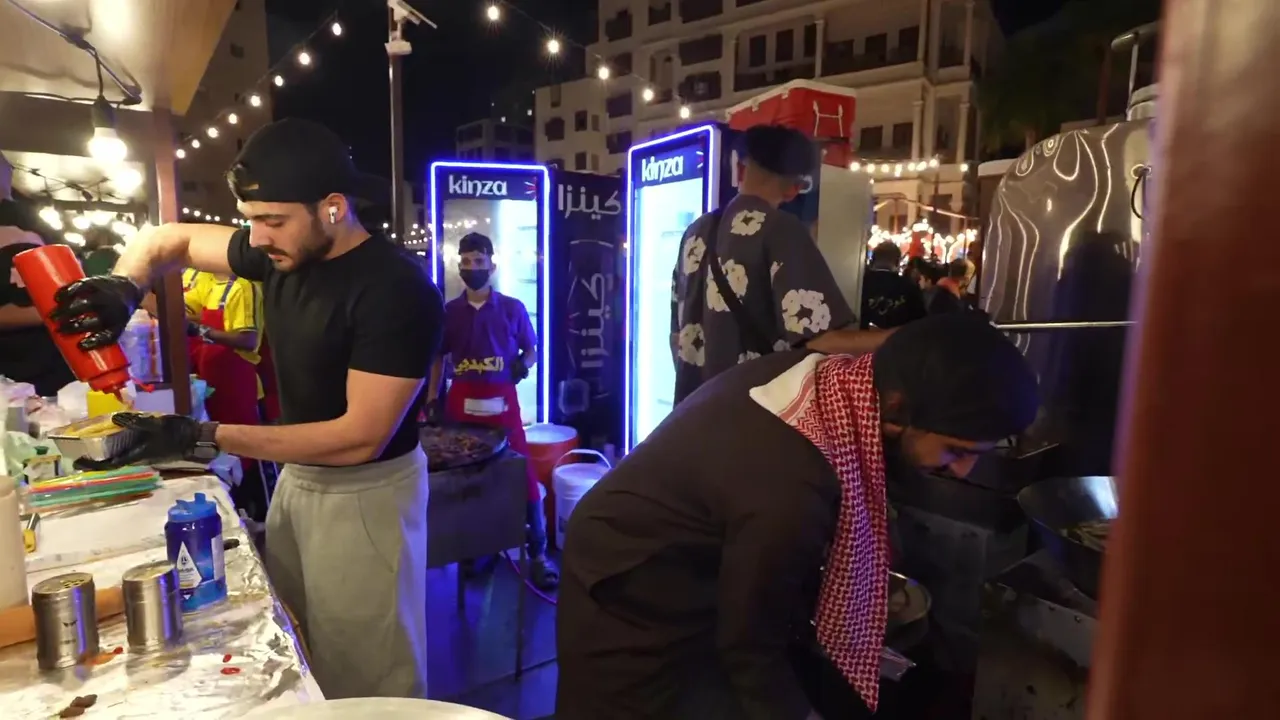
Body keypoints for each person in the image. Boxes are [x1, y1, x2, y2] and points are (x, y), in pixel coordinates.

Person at [46, 118, 443, 700]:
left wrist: (201, 436)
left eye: (272, 220)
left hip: (366, 493)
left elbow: (361, 436)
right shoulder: (281, 252)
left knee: (370, 679)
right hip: (299, 479)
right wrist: (123, 287)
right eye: (250, 219)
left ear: (333, 208)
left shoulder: (395, 290)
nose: (255, 238)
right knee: (298, 643)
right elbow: (167, 240)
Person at [556, 314, 1039, 720]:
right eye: (956, 450)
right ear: (897, 410)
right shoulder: (791, 483)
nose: (963, 470)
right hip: (628, 575)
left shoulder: (837, 379)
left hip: (699, 565)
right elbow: (749, 644)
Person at [671, 124, 889, 405]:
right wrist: (903, 338)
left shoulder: (695, 231)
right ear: (794, 188)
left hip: (691, 414)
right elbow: (821, 340)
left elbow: (676, 337)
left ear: (740, 169)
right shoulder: (781, 230)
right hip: (749, 416)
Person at [426, 231, 558, 589]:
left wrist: (522, 366)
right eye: (467, 262)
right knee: (466, 481)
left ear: (492, 265)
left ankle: (538, 554)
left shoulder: (513, 309)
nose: (473, 268)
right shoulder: (449, 312)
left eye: (479, 261)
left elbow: (532, 349)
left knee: (522, 473)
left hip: (503, 405)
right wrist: (432, 398)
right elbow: (438, 357)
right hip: (461, 405)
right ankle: (472, 550)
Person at [0, 153, 74, 396]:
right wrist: (54, 313)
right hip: (16, 375)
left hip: (54, 371)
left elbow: (75, 288)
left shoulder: (34, 224)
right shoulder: (38, 225)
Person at [860, 241, 926, 329]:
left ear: (872, 261)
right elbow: (920, 323)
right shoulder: (909, 288)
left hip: (858, 335)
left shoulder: (859, 285)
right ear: (897, 262)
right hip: (899, 336)